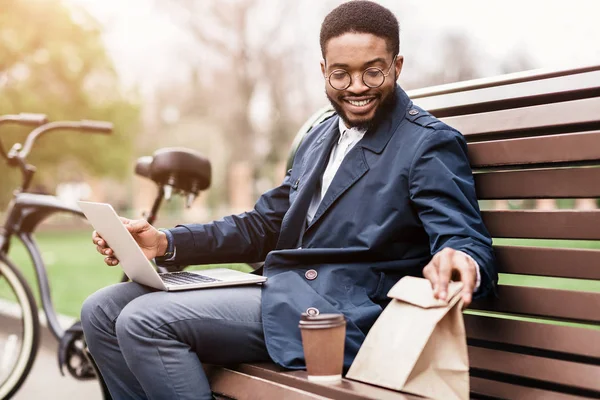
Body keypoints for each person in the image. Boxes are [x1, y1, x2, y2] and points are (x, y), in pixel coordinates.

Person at [81, 1, 497, 399]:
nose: (357, 87)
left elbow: (464, 239)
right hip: (285, 291)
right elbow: (262, 225)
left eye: (373, 72)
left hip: (345, 316)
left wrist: (461, 259)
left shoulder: (427, 144)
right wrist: (166, 243)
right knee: (101, 311)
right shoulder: (320, 137)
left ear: (397, 66)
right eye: (341, 74)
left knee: (144, 321)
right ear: (323, 71)